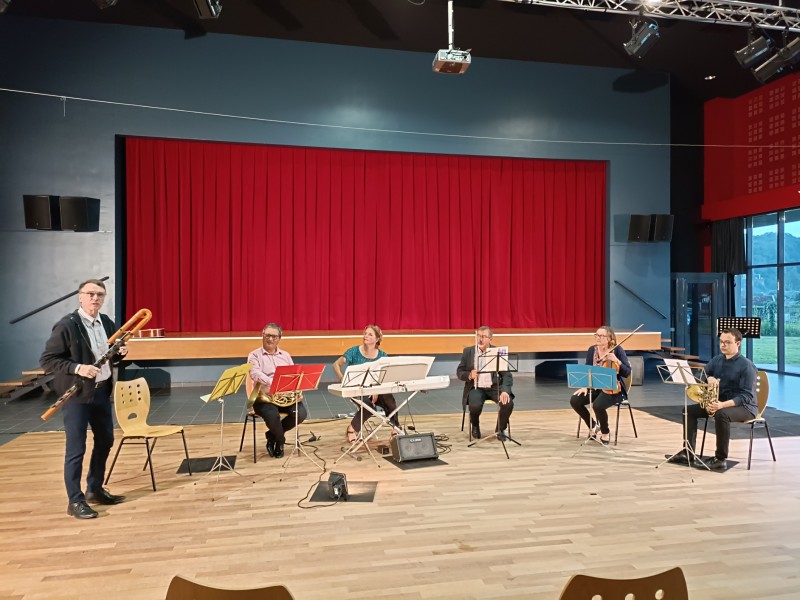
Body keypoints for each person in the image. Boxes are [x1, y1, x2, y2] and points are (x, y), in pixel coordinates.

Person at [40, 279, 128, 519]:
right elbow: (48, 360)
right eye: (90, 294)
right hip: (77, 395)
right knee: (76, 448)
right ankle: (75, 501)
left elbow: (109, 357)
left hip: (101, 392)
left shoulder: (106, 322)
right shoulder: (67, 325)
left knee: (105, 441)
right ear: (80, 297)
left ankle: (94, 490)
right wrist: (78, 368)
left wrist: (120, 354)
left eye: (99, 294)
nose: (95, 298)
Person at [668, 327, 757, 471]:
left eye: (727, 342)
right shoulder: (717, 360)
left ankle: (720, 459)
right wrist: (708, 378)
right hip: (718, 403)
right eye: (721, 342)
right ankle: (688, 453)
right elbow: (702, 374)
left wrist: (722, 405)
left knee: (721, 414)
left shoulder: (746, 365)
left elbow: (746, 396)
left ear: (738, 343)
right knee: (688, 411)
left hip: (745, 408)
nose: (723, 345)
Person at [246, 323, 307, 459]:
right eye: (267, 335)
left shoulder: (285, 355)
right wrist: (272, 382)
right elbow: (254, 373)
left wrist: (297, 390)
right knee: (273, 416)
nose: (270, 339)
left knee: (301, 414)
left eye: (274, 336)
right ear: (262, 335)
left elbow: (294, 375)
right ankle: (280, 441)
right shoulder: (254, 355)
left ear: (279, 338)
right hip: (264, 397)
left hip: (284, 396)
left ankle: (272, 436)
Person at [333, 324, 400, 442]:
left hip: (376, 390)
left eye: (370, 334)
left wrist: (376, 390)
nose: (366, 336)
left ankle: (396, 427)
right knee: (368, 406)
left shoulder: (382, 356)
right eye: (365, 333)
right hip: (357, 389)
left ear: (377, 339)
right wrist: (341, 378)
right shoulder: (353, 351)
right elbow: (336, 364)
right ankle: (352, 428)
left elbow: (384, 378)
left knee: (389, 400)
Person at [569, 326, 632, 445]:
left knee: (598, 406)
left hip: (613, 389)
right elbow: (587, 370)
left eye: (601, 336)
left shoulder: (617, 350)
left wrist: (617, 361)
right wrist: (584, 386)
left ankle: (605, 432)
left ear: (609, 339)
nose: (598, 338)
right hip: (595, 387)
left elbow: (627, 372)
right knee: (575, 400)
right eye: (596, 335)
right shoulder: (592, 350)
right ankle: (593, 426)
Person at [456, 326, 514, 440]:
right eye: (478, 336)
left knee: (508, 403)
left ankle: (500, 429)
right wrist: (469, 375)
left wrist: (505, 391)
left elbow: (507, 375)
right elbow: (459, 371)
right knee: (474, 405)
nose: (480, 339)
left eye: (483, 337)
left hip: (494, 387)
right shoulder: (468, 351)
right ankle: (475, 425)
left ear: (490, 339)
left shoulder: (497, 352)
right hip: (476, 387)